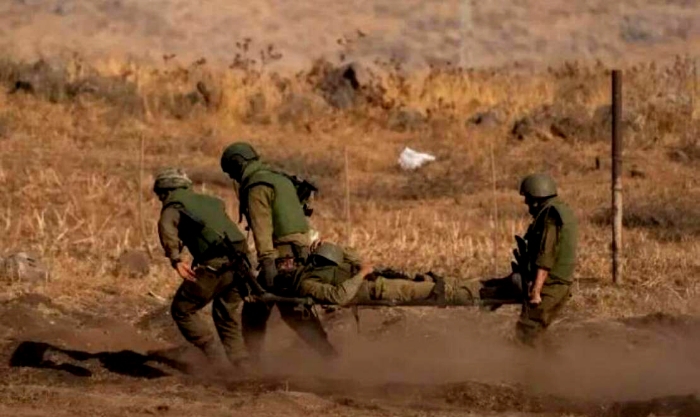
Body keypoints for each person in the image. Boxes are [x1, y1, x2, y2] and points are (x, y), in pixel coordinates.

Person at [220, 141, 337, 360]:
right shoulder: (279, 178)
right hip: (301, 249)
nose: (233, 178)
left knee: (262, 309)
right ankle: (328, 354)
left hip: (283, 255)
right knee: (289, 309)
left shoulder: (256, 186)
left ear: (237, 164)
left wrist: (267, 262)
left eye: (231, 172)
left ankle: (253, 363)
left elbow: (261, 226)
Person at [153, 168, 252, 369]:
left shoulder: (174, 206)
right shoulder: (211, 202)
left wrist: (176, 260)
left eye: (160, 195)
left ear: (166, 191)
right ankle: (243, 364)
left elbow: (167, 228)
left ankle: (216, 359)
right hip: (243, 264)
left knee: (182, 310)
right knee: (226, 314)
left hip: (214, 265)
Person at [481, 173, 578, 346]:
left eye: (527, 198)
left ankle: (533, 371)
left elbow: (545, 256)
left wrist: (536, 291)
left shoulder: (550, 216)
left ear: (535, 198)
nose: (526, 204)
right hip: (558, 284)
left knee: (526, 333)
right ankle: (552, 368)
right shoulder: (561, 210)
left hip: (549, 286)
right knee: (537, 335)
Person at [293, 242, 475, 307]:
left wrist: (332, 247)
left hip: (379, 279)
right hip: (378, 289)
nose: (287, 264)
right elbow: (339, 296)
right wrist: (361, 274)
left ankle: (482, 286)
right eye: (283, 265)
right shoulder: (307, 283)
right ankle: (479, 295)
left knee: (435, 280)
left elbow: (357, 259)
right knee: (436, 290)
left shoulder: (317, 264)